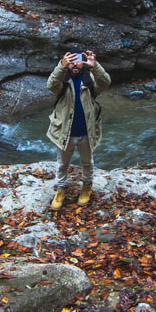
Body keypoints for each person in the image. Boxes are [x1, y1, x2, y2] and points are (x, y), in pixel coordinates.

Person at [46, 47, 110, 209]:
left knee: (87, 162)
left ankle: (87, 186)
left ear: (83, 63)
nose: (75, 65)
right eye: (71, 62)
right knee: (62, 164)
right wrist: (61, 66)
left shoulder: (89, 83)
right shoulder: (63, 83)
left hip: (86, 132)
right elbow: (51, 84)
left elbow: (105, 82)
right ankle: (60, 189)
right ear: (67, 63)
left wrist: (95, 66)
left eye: (78, 61)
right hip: (64, 133)